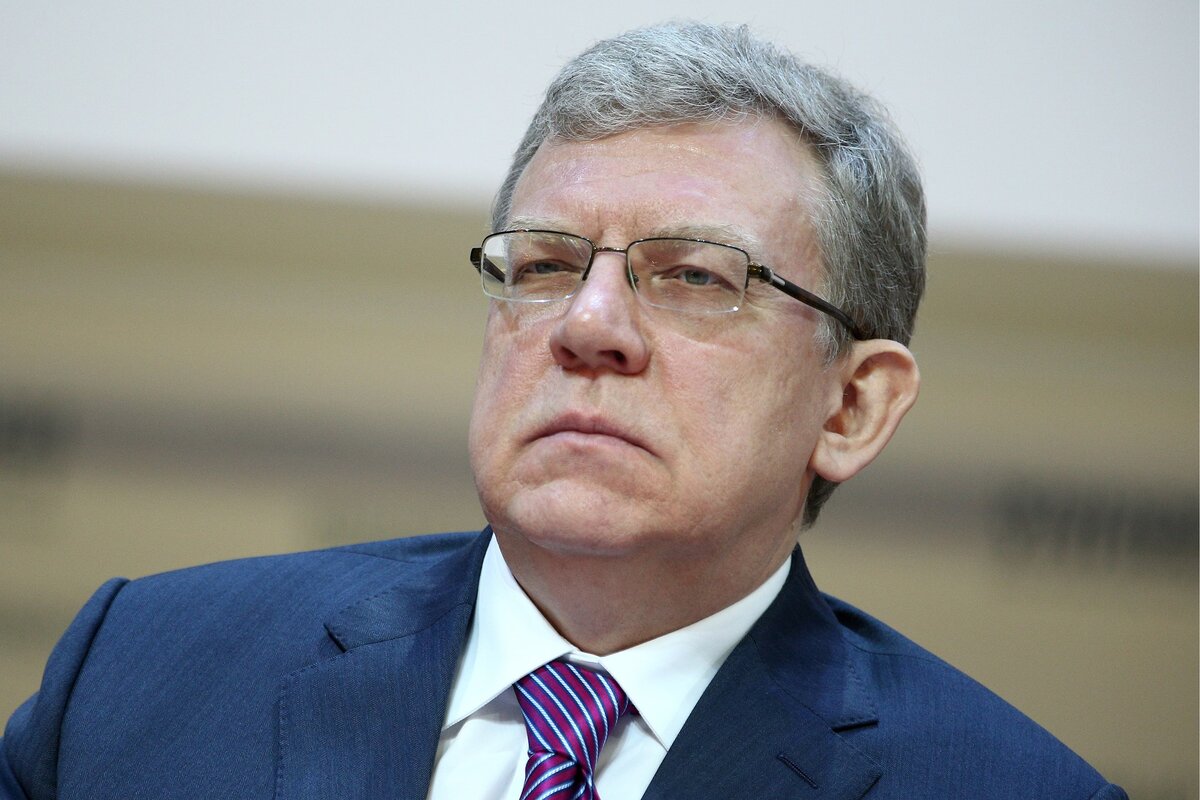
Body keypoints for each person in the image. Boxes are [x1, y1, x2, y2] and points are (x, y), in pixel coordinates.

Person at [1, 22, 1126, 800]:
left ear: (852, 407)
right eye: (543, 264)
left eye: (696, 277)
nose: (588, 325)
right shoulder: (141, 672)